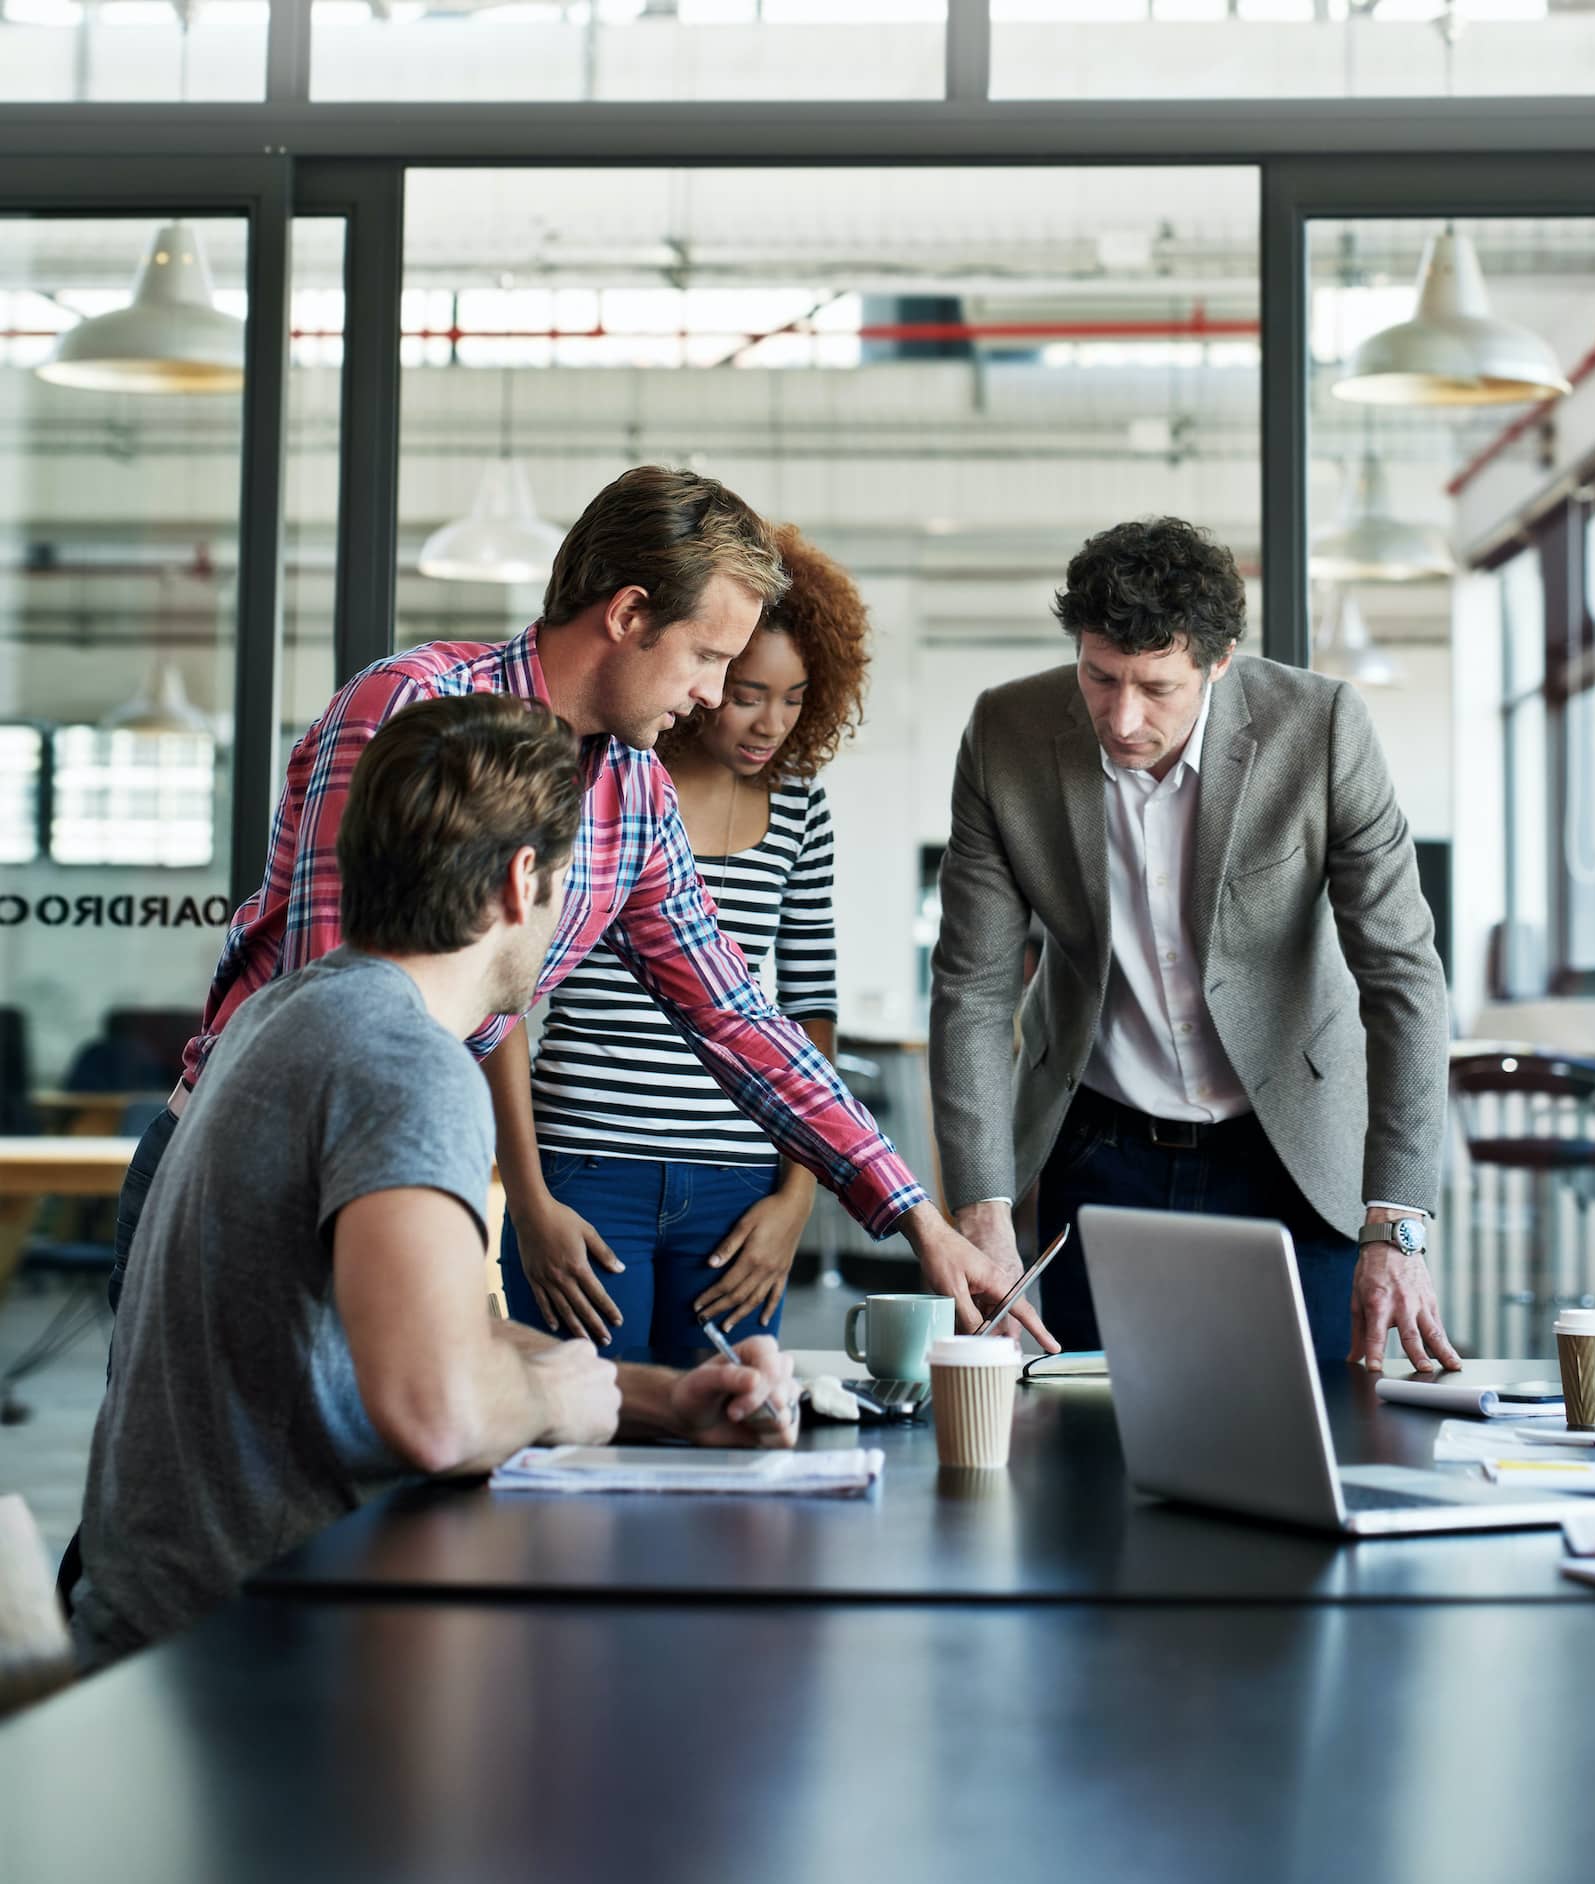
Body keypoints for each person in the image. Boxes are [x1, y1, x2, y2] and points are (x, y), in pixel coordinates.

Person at [106, 465, 1045, 1348]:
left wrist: (915, 1216)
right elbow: (336, 1006)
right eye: (708, 656)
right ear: (630, 614)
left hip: (398, 1182)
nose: (715, 694)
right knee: (183, 1510)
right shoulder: (413, 708)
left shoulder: (633, 792)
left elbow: (735, 1015)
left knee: (380, 1509)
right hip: (249, 1172)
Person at [70, 697, 799, 1669]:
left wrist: (663, 1400)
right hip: (251, 1667)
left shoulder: (294, 1012)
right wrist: (553, 1409)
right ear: (518, 881)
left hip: (179, 1630)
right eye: (567, 881)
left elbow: (423, 1323)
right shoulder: (407, 1065)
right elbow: (436, 1409)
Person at [928, 516, 1457, 1373]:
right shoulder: (1006, 734)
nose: (1123, 716)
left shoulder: (1320, 730)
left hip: (1291, 1151)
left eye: (1156, 687)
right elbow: (973, 989)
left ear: (1220, 660)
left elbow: (1402, 977)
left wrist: (1396, 1219)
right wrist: (981, 1207)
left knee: (1311, 1441)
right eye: (1100, 677)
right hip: (1100, 1152)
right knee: (1093, 1448)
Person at [493, 525, 868, 1363]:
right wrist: (526, 1196)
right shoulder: (602, 783)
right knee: (579, 1440)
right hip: (586, 1168)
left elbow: (803, 1011)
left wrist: (796, 1201)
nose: (772, 722)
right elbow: (502, 996)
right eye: (746, 691)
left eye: (797, 696)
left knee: (731, 1443)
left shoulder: (802, 811)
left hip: (739, 1191)